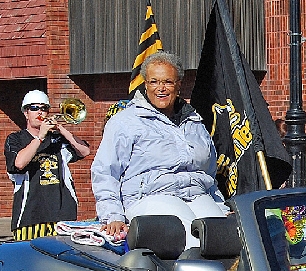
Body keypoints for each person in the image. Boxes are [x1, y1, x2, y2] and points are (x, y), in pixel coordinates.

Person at [92, 51, 228, 240]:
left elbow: (208, 173)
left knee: (223, 238)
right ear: (145, 84)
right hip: (149, 197)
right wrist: (113, 215)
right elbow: (106, 171)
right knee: (192, 239)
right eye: (154, 82)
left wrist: (220, 208)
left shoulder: (195, 123)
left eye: (168, 82)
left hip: (196, 195)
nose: (160, 88)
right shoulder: (125, 122)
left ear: (179, 84)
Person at [5, 90, 91, 240]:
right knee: (29, 261)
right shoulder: (15, 138)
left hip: (62, 214)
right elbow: (19, 163)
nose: (40, 112)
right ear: (26, 113)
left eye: (44, 108)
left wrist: (61, 129)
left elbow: (85, 151)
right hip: (30, 215)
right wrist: (40, 137)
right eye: (34, 108)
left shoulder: (59, 139)